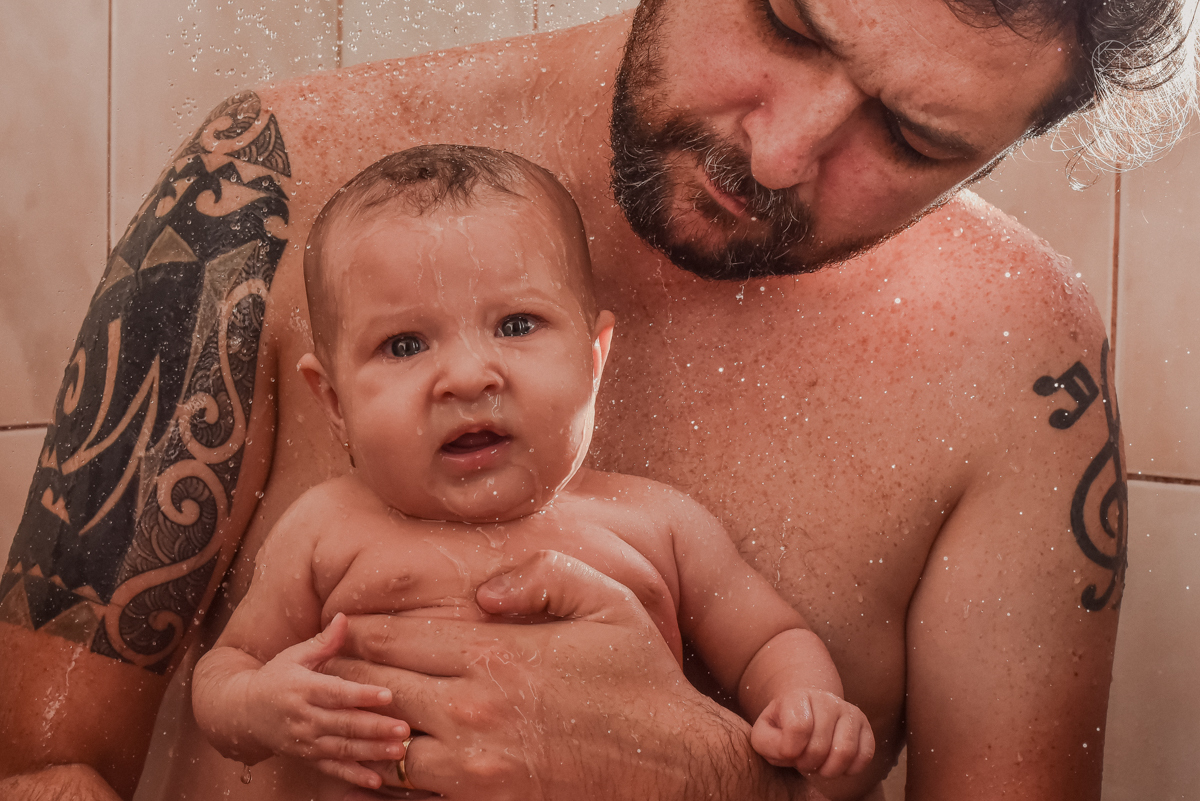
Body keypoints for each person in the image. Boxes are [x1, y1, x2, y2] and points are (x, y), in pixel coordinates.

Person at [0, 0, 1191, 798]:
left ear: (996, 155)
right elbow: (41, 772)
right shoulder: (279, 185)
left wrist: (716, 773)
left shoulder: (1015, 360)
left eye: (914, 135)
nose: (778, 156)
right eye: (787, 18)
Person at [190, 145, 875, 796]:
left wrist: (805, 702)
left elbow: (767, 639)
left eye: (516, 325)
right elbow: (225, 670)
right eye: (404, 344)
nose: (465, 376)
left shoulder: (657, 524)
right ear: (334, 404)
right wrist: (261, 704)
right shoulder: (325, 528)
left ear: (595, 356)